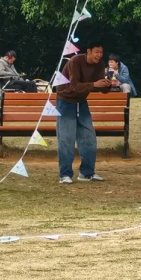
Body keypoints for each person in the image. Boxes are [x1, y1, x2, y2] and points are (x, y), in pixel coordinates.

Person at [56, 37, 116, 184]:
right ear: (88, 51)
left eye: (101, 52)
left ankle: (87, 172)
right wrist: (95, 83)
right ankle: (65, 174)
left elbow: (100, 88)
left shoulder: (99, 64)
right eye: (96, 52)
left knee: (89, 138)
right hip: (66, 100)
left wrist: (107, 85)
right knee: (67, 139)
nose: (99, 55)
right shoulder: (75, 61)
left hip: (81, 102)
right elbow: (74, 86)